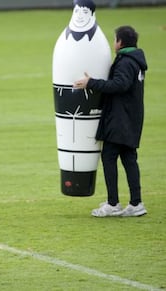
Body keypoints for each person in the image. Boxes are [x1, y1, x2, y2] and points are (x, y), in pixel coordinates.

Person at [73, 25, 148, 217]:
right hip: (131, 118)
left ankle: (113, 203)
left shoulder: (126, 63)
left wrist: (91, 83)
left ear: (120, 42)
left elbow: (119, 85)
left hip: (120, 120)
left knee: (109, 157)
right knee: (129, 159)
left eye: (115, 39)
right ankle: (136, 203)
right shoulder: (135, 61)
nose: (113, 42)